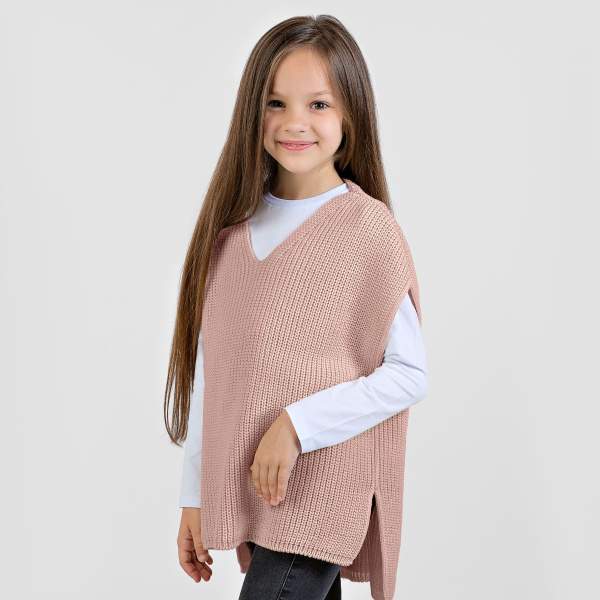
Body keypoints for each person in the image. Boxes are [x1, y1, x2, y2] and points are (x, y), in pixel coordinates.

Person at [164, 14, 428, 600]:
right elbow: (214, 373)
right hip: (263, 489)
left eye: (318, 104)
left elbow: (409, 373)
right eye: (276, 103)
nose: (294, 123)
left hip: (324, 488)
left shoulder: (368, 231)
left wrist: (297, 425)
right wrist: (194, 496)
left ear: (349, 116)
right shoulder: (230, 236)